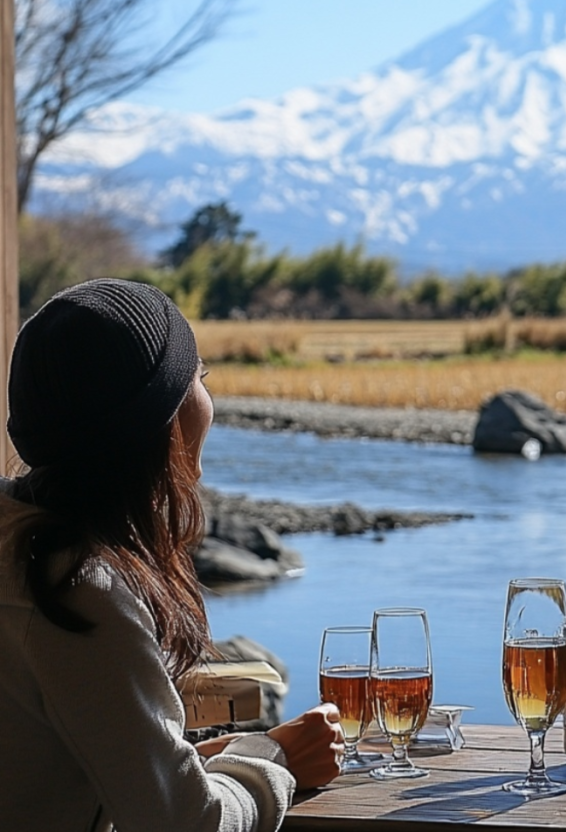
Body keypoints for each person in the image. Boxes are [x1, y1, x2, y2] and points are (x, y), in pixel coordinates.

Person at [0, 278, 342, 832]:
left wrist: (190, 761)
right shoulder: (76, 590)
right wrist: (275, 760)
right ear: (162, 420)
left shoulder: (18, 542)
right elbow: (187, 822)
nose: (209, 399)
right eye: (199, 376)